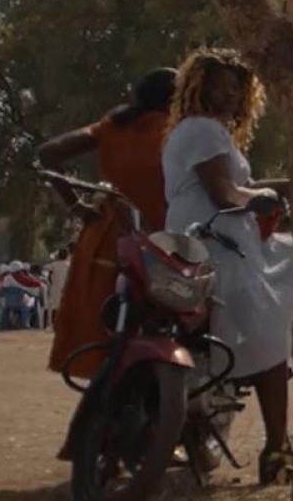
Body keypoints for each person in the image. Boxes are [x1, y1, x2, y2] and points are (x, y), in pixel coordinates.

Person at [161, 48, 293, 483]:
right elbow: (225, 194)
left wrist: (284, 186)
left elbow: (238, 185)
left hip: (207, 239)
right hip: (217, 244)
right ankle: (277, 449)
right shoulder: (203, 130)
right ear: (201, 86)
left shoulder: (199, 131)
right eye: (224, 84)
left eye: (238, 86)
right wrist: (264, 199)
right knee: (272, 340)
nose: (233, 92)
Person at [38, 68, 176, 376]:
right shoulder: (178, 130)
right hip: (167, 236)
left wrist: (75, 205)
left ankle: (104, 392)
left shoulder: (112, 126)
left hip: (110, 235)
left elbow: (48, 153)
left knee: (103, 325)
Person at [44, 246, 72, 330]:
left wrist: (53, 258)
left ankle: (54, 325)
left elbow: (46, 268)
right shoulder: (69, 264)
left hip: (55, 288)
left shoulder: (54, 265)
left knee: (54, 308)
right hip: (66, 288)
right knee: (65, 307)